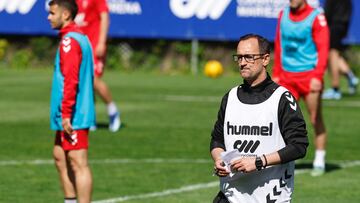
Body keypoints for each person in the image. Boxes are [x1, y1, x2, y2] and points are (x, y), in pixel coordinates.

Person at [210, 34, 308, 203]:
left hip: (270, 197)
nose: (242, 62)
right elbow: (217, 140)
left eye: (249, 57)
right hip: (230, 196)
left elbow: (299, 146)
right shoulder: (230, 97)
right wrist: (219, 158)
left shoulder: (282, 98)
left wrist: (258, 162)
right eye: (239, 57)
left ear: (265, 59)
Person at [273, 0, 329, 176]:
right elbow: (278, 44)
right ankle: (283, 159)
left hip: (309, 76)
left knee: (314, 118)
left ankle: (319, 159)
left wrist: (317, 76)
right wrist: (276, 71)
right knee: (281, 120)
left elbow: (323, 48)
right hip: (287, 77)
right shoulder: (283, 14)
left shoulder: (316, 16)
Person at [48, 0, 95, 202]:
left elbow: (71, 80)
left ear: (65, 14)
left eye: (52, 13)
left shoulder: (70, 41)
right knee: (60, 156)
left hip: (74, 114)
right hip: (66, 113)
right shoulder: (78, 37)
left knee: (78, 162)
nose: (48, 17)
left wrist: (67, 113)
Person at [75, 0, 121, 132]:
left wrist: (101, 42)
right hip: (80, 46)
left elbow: (105, 17)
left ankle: (113, 111)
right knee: (84, 84)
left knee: (93, 79)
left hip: (94, 46)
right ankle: (90, 117)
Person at [322, 0, 358, 100]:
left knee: (332, 55)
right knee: (335, 54)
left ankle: (335, 89)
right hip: (342, 26)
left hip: (334, 26)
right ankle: (350, 75)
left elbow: (327, 12)